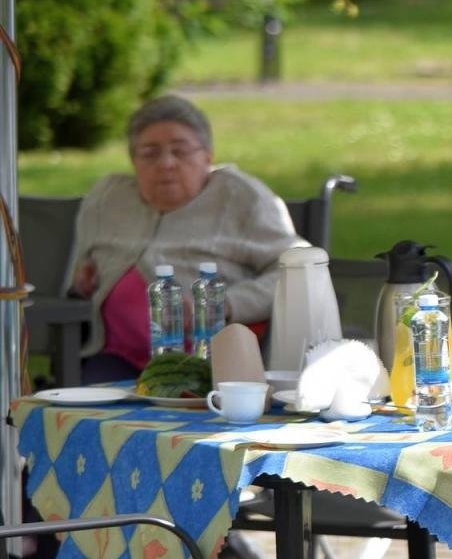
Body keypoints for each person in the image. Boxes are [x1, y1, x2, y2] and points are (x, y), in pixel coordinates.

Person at [67, 94, 304, 383]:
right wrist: (81, 283)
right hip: (117, 357)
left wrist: (226, 304)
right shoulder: (108, 197)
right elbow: (79, 272)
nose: (166, 163)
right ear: (133, 161)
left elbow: (294, 270)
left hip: (209, 361)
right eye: (150, 153)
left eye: (180, 151)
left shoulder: (241, 197)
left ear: (207, 157)